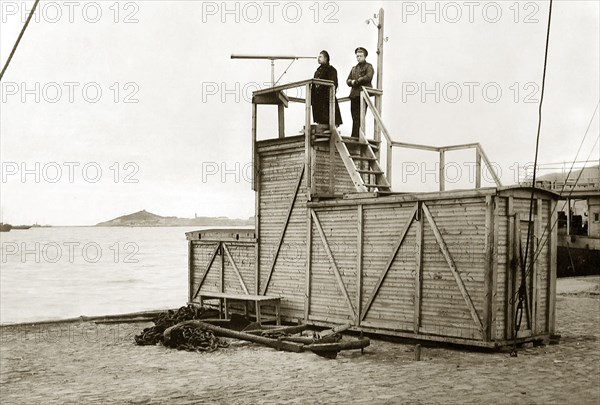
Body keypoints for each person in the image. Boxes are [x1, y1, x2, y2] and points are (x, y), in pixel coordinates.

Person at [346, 47, 374, 138]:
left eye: (360, 56)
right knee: (354, 116)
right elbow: (348, 80)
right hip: (354, 95)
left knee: (360, 116)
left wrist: (357, 81)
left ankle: (358, 136)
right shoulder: (354, 68)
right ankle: (354, 135)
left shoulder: (369, 66)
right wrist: (351, 82)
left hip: (363, 95)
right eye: (357, 56)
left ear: (365, 56)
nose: (358, 58)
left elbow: (368, 77)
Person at [311, 50, 343, 127]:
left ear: (326, 58)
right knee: (321, 120)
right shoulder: (317, 71)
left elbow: (334, 84)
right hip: (318, 99)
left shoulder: (331, 70)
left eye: (320, 57)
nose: (318, 58)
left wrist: (327, 94)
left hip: (327, 98)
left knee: (329, 117)